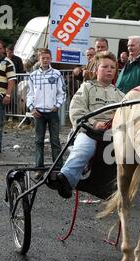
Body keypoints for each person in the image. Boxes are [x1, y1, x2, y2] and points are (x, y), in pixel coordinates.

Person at [53, 51, 125, 198]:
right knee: (84, 149)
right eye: (105, 67)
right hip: (88, 132)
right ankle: (65, 179)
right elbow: (76, 112)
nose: (110, 70)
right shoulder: (86, 88)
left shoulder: (121, 95)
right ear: (95, 70)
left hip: (113, 135)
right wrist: (94, 123)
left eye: (112, 67)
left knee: (134, 153)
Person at [26, 48, 66, 179]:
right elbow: (30, 94)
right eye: (43, 58)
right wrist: (32, 108)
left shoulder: (56, 74)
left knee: (55, 140)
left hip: (52, 112)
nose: (45, 60)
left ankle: (58, 168)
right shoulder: (33, 75)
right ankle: (39, 169)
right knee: (38, 141)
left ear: (51, 58)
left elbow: (62, 92)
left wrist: (57, 105)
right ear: (39, 59)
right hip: (38, 113)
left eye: (47, 58)